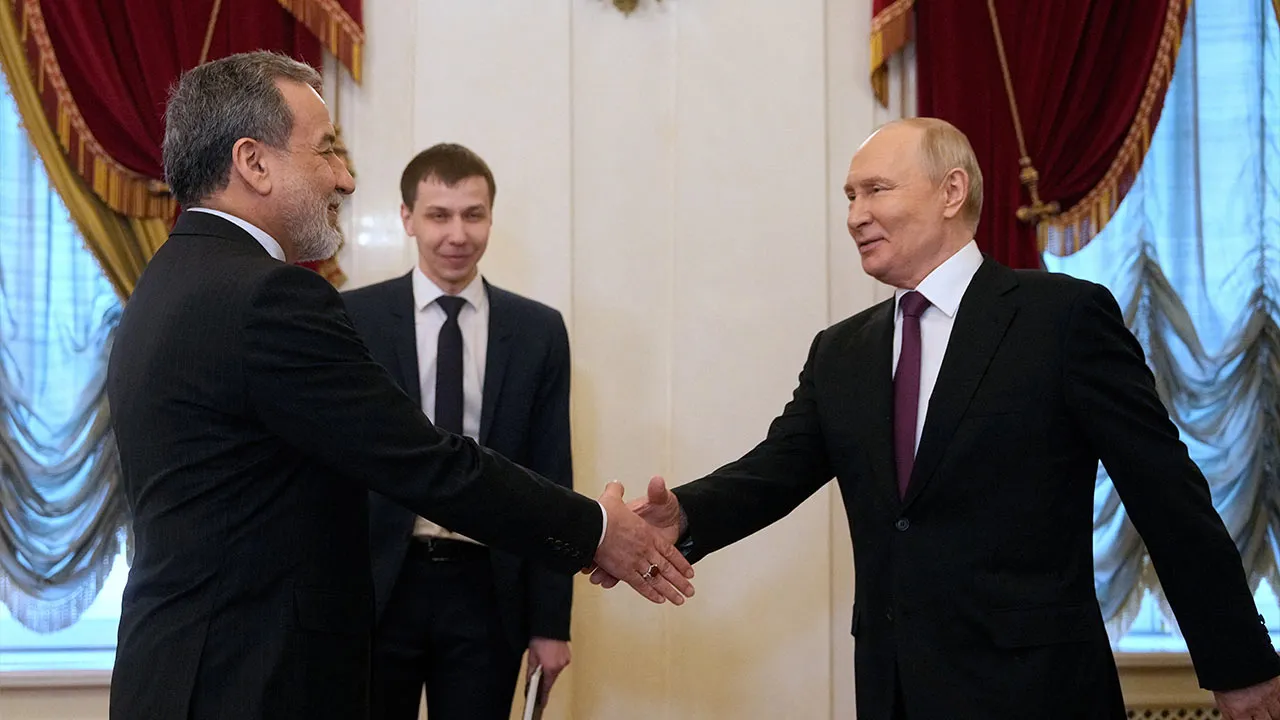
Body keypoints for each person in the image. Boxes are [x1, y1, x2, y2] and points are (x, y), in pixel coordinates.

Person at [595, 118, 1280, 719]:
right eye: (849, 196)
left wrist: (1238, 661)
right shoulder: (842, 351)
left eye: (876, 190)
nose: (855, 214)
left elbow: (1166, 494)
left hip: (1035, 689)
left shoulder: (1061, 319)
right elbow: (774, 471)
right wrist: (681, 516)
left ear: (951, 192)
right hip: (896, 688)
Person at [106, 51, 693, 720]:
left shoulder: (171, 277)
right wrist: (594, 528)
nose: (346, 178)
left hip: (181, 671)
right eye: (326, 149)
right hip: (247, 680)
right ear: (254, 162)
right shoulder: (268, 297)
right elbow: (425, 463)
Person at [343, 144, 575, 718]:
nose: (457, 234)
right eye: (438, 215)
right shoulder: (353, 319)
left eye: (473, 215)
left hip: (488, 592)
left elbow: (552, 476)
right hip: (374, 589)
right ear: (407, 219)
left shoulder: (538, 330)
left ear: (491, 217)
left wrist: (551, 623)